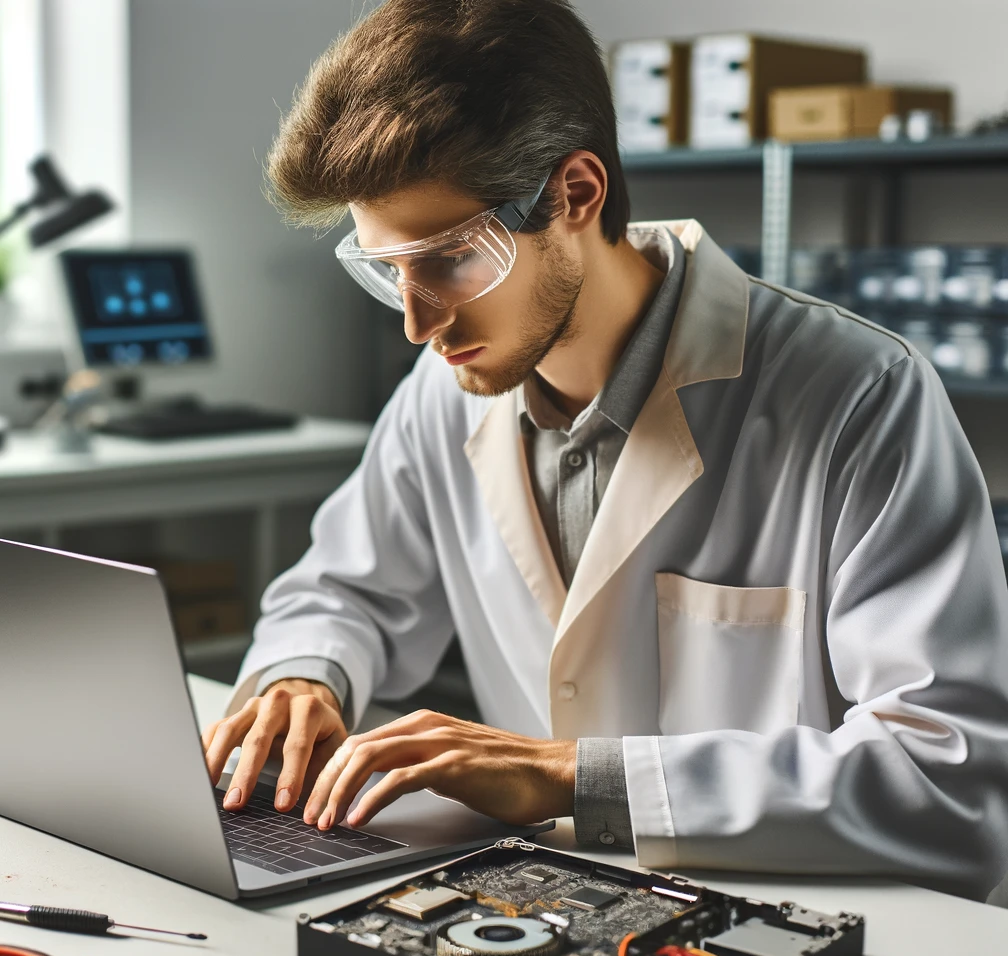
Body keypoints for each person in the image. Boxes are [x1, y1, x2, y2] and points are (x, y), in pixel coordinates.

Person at [200, 0, 1008, 900]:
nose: (418, 323)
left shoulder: (857, 394)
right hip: (539, 906)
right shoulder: (447, 392)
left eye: (448, 260)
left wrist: (570, 778)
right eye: (388, 270)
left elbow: (948, 775)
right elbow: (345, 591)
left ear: (575, 193)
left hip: (801, 914)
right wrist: (304, 676)